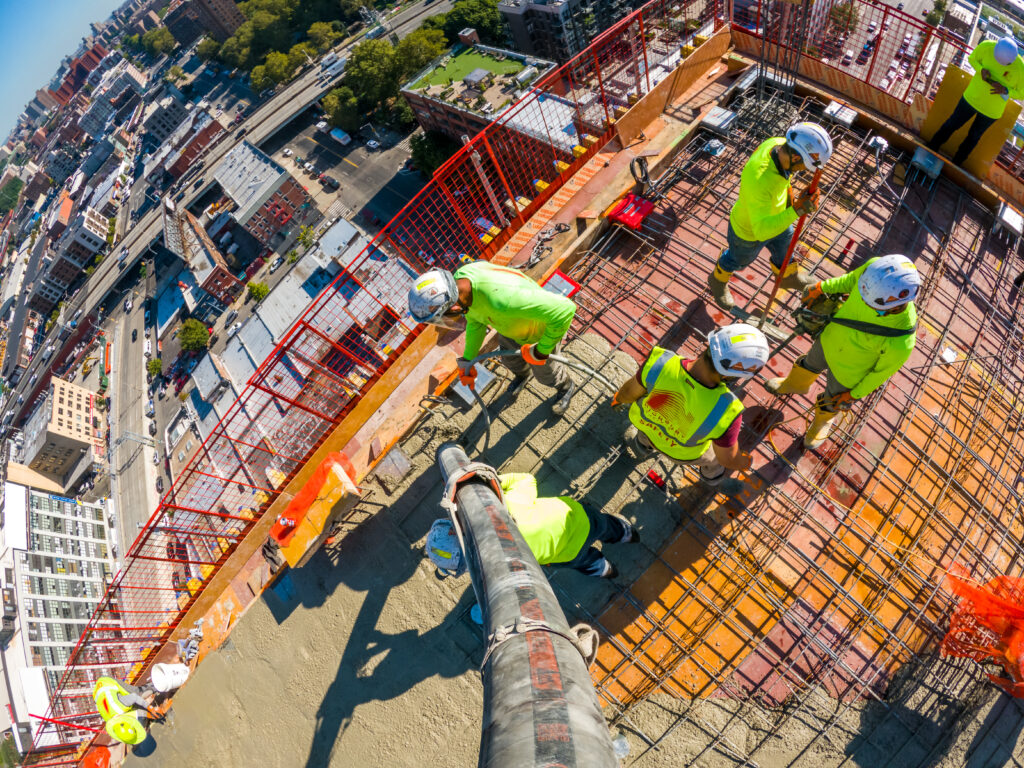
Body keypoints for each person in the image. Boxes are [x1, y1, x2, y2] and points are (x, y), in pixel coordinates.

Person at [765, 254, 919, 448]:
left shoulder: (901, 341)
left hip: (847, 372)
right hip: (830, 338)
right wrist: (821, 287)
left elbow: (880, 374)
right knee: (809, 363)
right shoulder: (873, 269)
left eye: (870, 303)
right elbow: (849, 280)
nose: (863, 302)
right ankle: (795, 384)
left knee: (833, 399)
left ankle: (822, 422)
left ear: (893, 305)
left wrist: (853, 395)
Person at [408, 262, 578, 415]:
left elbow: (565, 310)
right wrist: (468, 359)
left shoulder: (504, 300)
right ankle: (522, 375)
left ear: (453, 305)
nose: (445, 321)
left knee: (546, 375)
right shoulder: (462, 285)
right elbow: (475, 321)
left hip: (536, 333)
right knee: (510, 360)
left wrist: (541, 351)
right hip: (507, 325)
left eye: (443, 316)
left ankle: (565, 386)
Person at [610, 323, 769, 485]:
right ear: (732, 376)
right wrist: (743, 463)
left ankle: (642, 446)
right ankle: (711, 477)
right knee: (714, 457)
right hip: (680, 452)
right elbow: (728, 459)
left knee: (651, 426)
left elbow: (628, 393)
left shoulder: (662, 363)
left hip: (648, 427)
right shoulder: (727, 410)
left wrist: (618, 400)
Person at [707, 122, 834, 310]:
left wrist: (791, 198)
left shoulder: (779, 144)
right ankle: (717, 280)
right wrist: (797, 210)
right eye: (804, 166)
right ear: (796, 156)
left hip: (777, 217)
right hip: (749, 231)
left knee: (786, 245)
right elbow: (762, 232)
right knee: (738, 260)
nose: (804, 171)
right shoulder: (760, 179)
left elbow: (783, 178)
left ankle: (788, 277)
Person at [427, 473, 637, 579]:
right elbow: (527, 480)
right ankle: (625, 533)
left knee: (585, 562)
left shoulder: (497, 569)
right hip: (578, 519)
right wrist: (494, 486)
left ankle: (605, 570)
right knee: (605, 525)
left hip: (566, 554)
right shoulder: (505, 507)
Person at [927, 37, 1024, 168]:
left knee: (973, 138)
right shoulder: (987, 46)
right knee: (951, 125)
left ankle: (955, 165)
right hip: (971, 99)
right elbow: (972, 58)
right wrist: (981, 69)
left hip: (991, 112)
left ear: (1013, 59)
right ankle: (931, 148)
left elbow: (1022, 93)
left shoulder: (1020, 68)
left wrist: (1006, 90)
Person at [93, 676, 158, 747]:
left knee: (139, 693)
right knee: (134, 705)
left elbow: (134, 697)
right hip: (99, 693)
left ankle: (159, 683)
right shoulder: (113, 723)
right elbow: (137, 713)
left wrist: (150, 708)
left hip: (106, 683)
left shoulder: (121, 706)